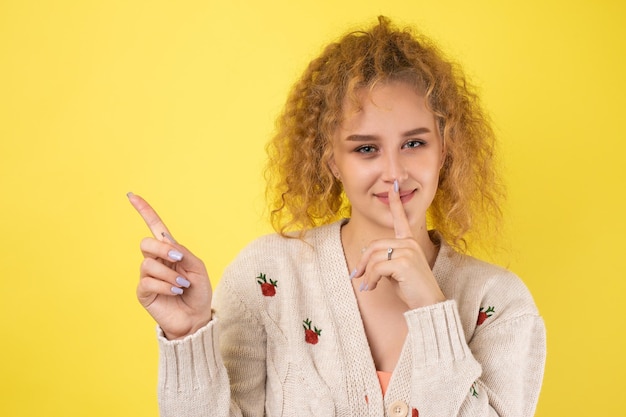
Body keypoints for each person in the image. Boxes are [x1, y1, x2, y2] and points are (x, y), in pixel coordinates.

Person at [128, 16, 546, 417]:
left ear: (445, 149)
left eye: (415, 143)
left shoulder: (499, 303)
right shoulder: (268, 277)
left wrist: (433, 312)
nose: (394, 173)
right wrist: (186, 336)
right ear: (331, 161)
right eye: (366, 148)